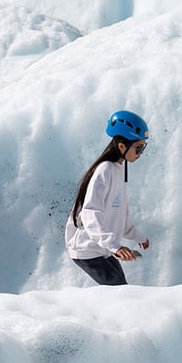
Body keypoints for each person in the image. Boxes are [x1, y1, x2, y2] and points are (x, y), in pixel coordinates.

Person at [65, 110, 150, 285]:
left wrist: (138, 236)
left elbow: (120, 218)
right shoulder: (105, 170)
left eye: (144, 147)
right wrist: (114, 245)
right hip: (87, 250)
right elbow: (90, 212)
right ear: (121, 146)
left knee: (121, 290)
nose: (141, 153)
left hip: (101, 249)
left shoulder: (118, 170)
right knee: (119, 291)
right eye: (138, 148)